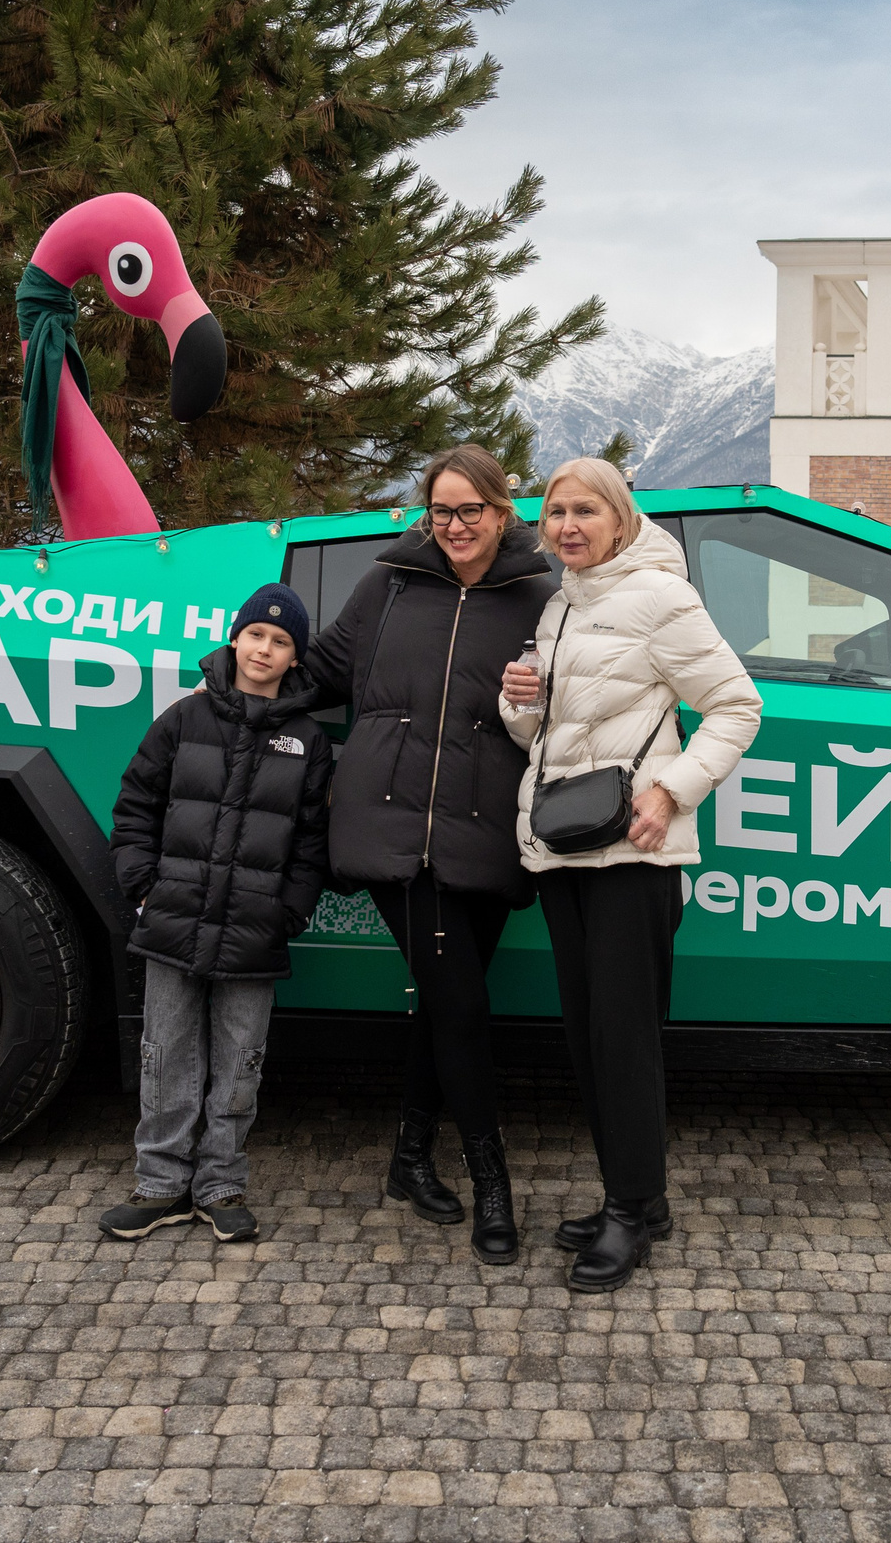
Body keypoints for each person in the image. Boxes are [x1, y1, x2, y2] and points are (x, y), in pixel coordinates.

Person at [499, 458, 761, 1293]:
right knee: (588, 1034)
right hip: (565, 846)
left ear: (620, 519)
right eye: (556, 513)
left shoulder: (661, 599)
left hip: (633, 854)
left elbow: (737, 706)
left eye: (586, 511)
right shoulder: (560, 605)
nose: (568, 526)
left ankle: (631, 1208)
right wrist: (519, 701)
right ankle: (637, 1202)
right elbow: (537, 732)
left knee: (624, 1037)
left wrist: (674, 791)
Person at [303, 446, 557, 1263]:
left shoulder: (541, 596)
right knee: (463, 1004)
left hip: (487, 826)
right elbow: (326, 669)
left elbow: (579, 694)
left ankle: (410, 1159)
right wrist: (234, 675)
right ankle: (492, 1184)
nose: (453, 527)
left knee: (450, 1002)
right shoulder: (390, 584)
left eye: (469, 511)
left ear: (501, 510)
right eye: (440, 512)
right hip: (390, 823)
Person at [101, 584, 332, 1243]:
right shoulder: (184, 718)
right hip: (173, 920)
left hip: (255, 933)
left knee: (239, 1061)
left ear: (294, 657)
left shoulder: (308, 740)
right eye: (256, 634)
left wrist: (289, 910)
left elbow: (312, 842)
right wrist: (143, 886)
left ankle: (222, 1184)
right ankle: (160, 1184)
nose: (265, 649)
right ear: (236, 639)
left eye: (281, 641)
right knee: (165, 1052)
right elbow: (135, 805)